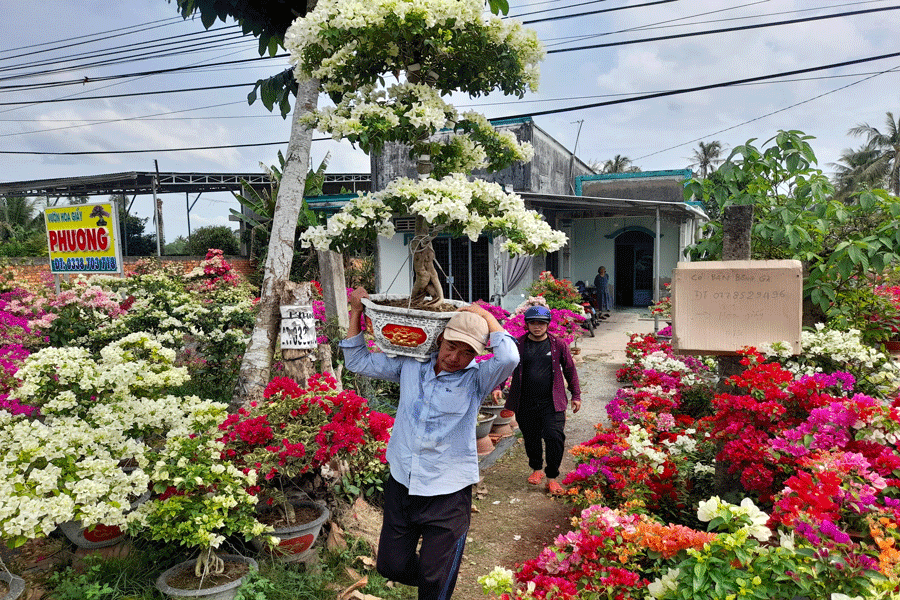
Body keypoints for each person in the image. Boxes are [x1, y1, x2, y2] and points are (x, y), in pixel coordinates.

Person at [340, 287, 519, 600]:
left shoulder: (476, 380)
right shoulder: (411, 366)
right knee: (391, 566)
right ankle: (434, 577)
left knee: (435, 581)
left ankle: (436, 581)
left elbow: (510, 356)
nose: (455, 357)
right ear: (439, 339)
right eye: (451, 346)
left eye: (467, 352)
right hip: (403, 484)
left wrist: (485, 316)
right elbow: (357, 360)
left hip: (448, 493)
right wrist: (356, 311)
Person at [492, 305, 581, 496]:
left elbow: (570, 370)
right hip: (525, 401)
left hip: (552, 401)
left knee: (554, 437)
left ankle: (552, 477)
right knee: (531, 438)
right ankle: (537, 469)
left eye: (541, 323)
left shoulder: (558, 345)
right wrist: (498, 386)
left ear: (547, 324)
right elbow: (506, 366)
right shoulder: (518, 344)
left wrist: (576, 395)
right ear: (527, 324)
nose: (537, 326)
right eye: (533, 323)